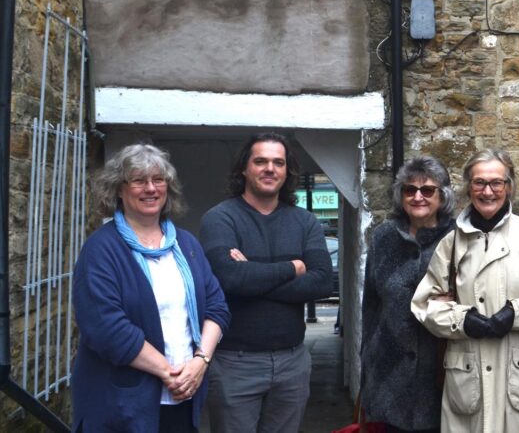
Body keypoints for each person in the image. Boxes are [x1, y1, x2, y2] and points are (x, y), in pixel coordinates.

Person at [72, 144, 230, 432]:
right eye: (138, 180)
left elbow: (217, 307)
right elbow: (106, 328)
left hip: (184, 396)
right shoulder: (100, 249)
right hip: (121, 405)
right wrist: (171, 373)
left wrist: (200, 362)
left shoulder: (187, 245)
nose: (151, 188)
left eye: (158, 180)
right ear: (119, 189)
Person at [412, 148, 519, 433]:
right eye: (479, 182)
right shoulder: (451, 243)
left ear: (509, 187)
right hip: (468, 382)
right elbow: (426, 305)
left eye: (496, 183)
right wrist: (462, 320)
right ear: (469, 188)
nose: (487, 191)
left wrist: (517, 313)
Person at [200, 132, 332, 433]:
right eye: (260, 161)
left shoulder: (305, 222)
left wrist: (252, 273)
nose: (269, 168)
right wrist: (293, 267)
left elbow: (322, 283)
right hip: (236, 363)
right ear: (244, 169)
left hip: (293, 363)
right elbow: (229, 279)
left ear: (287, 171)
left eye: (278, 162)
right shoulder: (220, 219)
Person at [360, 156, 457, 433]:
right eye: (409, 190)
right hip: (388, 374)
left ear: (443, 196)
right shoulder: (384, 237)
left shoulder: (458, 238)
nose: (417, 197)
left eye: (427, 190)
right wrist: (366, 369)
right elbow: (371, 307)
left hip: (439, 374)